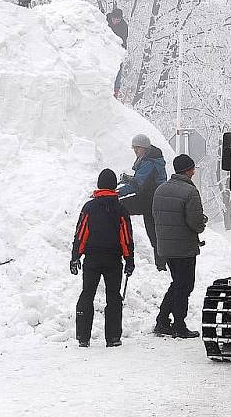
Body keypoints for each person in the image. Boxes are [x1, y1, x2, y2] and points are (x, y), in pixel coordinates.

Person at [71, 169, 135, 347]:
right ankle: (113, 337)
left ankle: (83, 337)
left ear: (99, 185)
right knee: (114, 297)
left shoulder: (89, 207)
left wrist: (75, 256)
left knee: (87, 294)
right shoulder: (120, 209)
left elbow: (81, 234)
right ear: (114, 186)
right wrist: (129, 260)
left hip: (92, 259)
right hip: (113, 260)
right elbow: (126, 237)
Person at [152, 154, 207, 338]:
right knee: (184, 286)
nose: (194, 171)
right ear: (188, 170)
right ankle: (179, 325)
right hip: (184, 248)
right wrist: (202, 222)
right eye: (192, 168)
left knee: (177, 283)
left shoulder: (160, 190)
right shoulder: (190, 192)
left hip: (166, 248)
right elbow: (196, 223)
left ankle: (162, 321)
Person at [118, 134, 168, 270]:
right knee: (154, 235)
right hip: (152, 201)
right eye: (134, 148)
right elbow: (140, 182)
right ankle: (161, 266)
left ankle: (161, 266)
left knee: (118, 207)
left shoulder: (149, 162)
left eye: (137, 148)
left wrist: (117, 193)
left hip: (150, 200)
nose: (135, 151)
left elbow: (138, 184)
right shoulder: (150, 159)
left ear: (145, 148)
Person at [106, 8, 128, 98]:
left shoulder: (123, 26)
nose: (115, 21)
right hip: (106, 48)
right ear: (111, 17)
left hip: (118, 50)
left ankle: (115, 93)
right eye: (114, 19)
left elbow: (122, 41)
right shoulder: (105, 20)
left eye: (118, 20)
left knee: (118, 71)